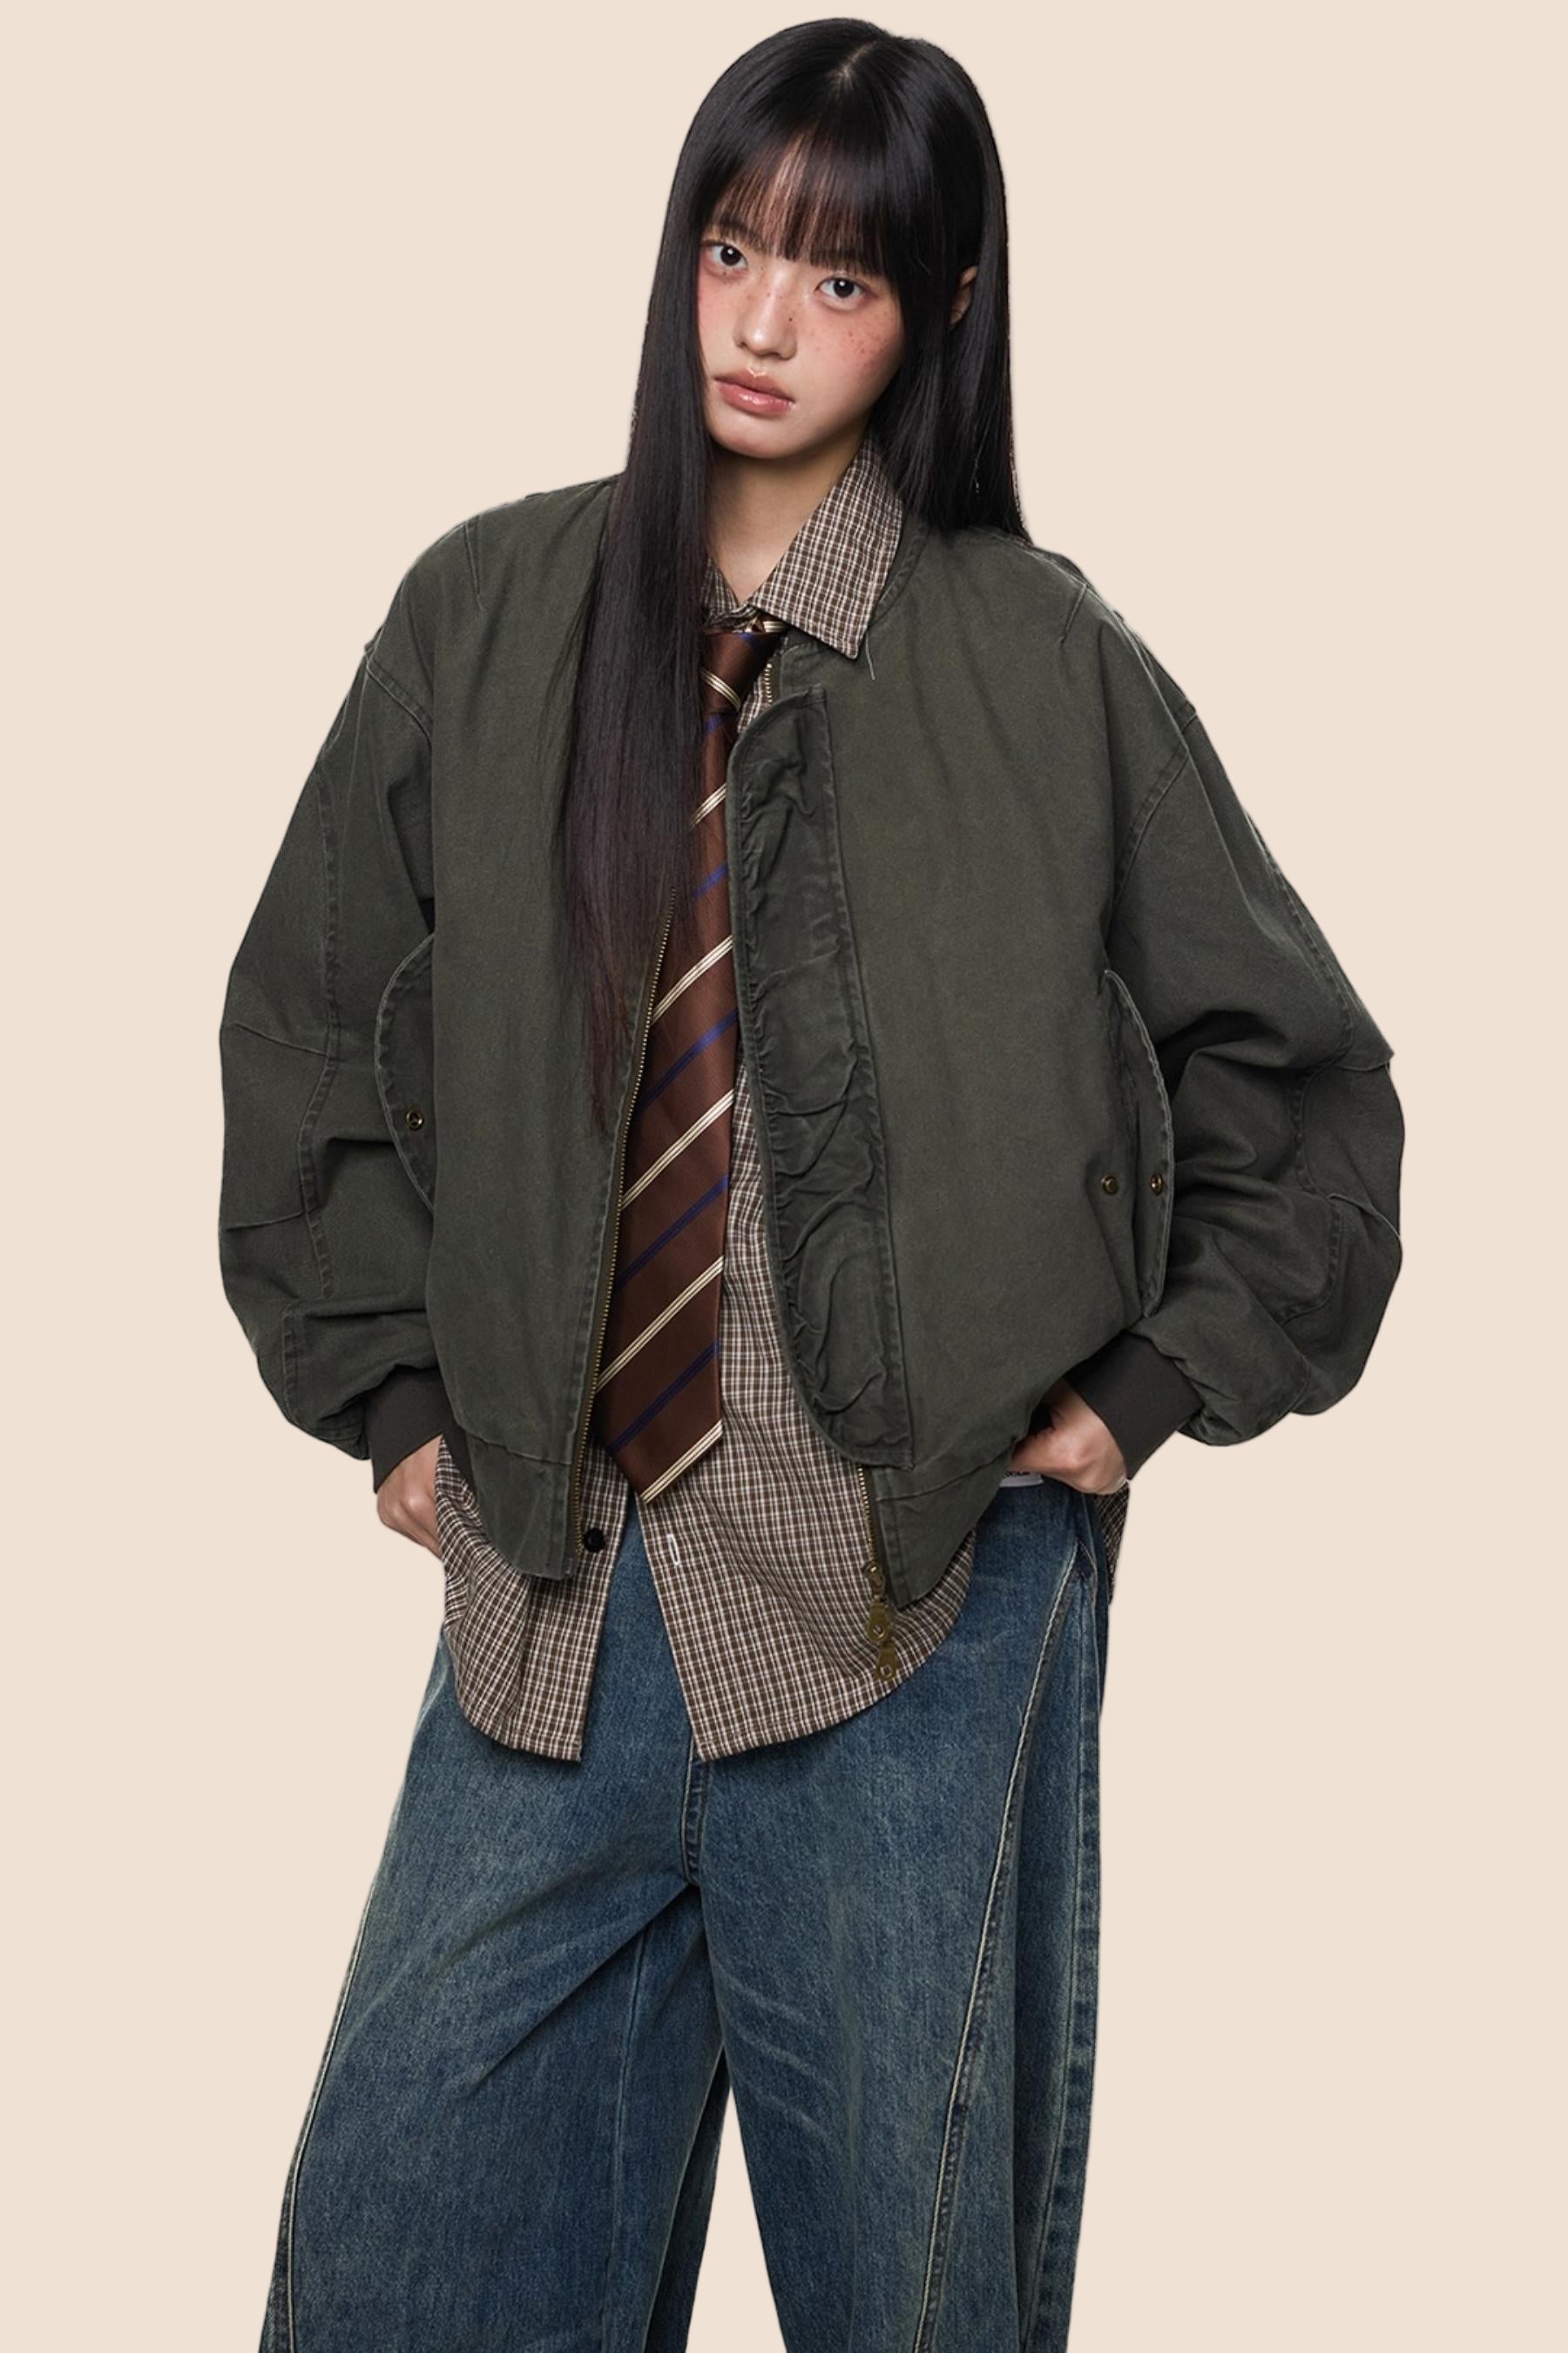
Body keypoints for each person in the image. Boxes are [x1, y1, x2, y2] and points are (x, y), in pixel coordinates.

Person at [220, 22, 1404, 2351]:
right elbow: (317, 1019)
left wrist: (1136, 1398)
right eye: (732, 250)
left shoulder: (1041, 663)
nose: (764, 324)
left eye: (840, 279)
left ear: (943, 305)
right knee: (404, 2258)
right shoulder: (490, 615)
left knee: (910, 2295)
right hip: (550, 1602)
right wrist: (393, 1398)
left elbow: (1297, 1081)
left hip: (911, 1598)